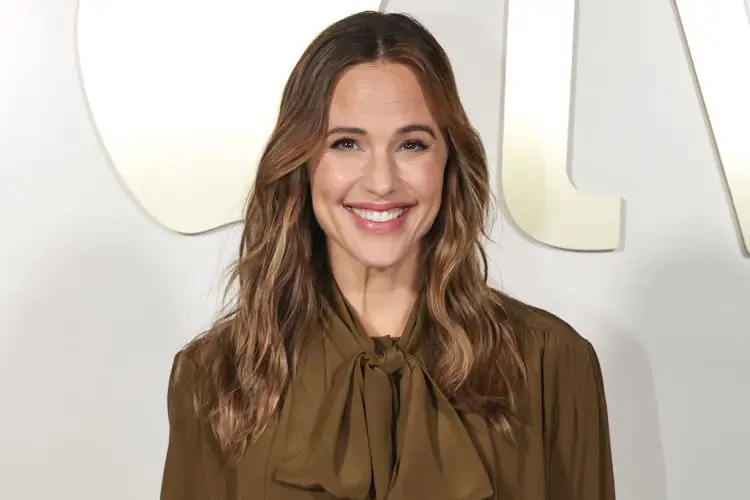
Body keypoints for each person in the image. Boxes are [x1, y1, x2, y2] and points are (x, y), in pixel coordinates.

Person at [160, 10, 616, 500]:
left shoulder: (549, 364)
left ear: (449, 161)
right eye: (346, 143)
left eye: (412, 145)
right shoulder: (218, 376)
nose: (381, 182)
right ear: (303, 164)